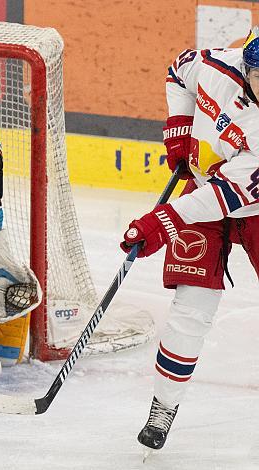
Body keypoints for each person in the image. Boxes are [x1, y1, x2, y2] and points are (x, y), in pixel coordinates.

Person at [120, 26, 259, 452]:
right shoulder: (219, 65)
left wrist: (160, 223)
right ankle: (163, 407)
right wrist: (180, 125)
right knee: (190, 309)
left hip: (246, 207)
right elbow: (179, 71)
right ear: (248, 68)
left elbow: (220, 199)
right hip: (203, 189)